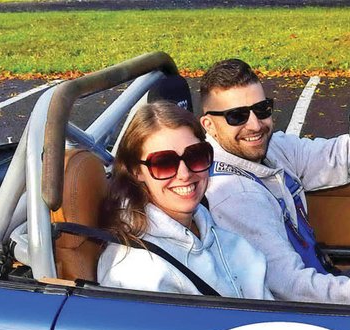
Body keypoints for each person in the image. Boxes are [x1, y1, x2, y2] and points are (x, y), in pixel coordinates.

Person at [200, 59, 350, 306]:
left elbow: (339, 155)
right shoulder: (234, 196)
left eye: (262, 109)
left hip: (319, 282)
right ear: (209, 125)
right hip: (302, 315)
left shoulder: (272, 149)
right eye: (237, 116)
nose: (255, 125)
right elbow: (291, 287)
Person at [96, 101, 271, 299]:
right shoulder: (137, 271)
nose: (185, 174)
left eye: (195, 156)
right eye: (164, 163)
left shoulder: (214, 231)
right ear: (137, 171)